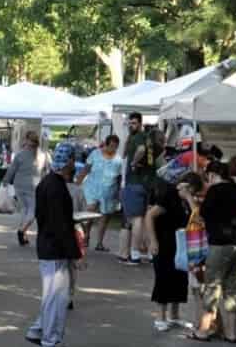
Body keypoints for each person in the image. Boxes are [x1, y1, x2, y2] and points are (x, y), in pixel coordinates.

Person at [24, 143, 84, 347]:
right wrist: (75, 254)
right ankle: (51, 341)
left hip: (47, 245)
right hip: (56, 248)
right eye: (72, 162)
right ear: (68, 162)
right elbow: (61, 225)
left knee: (52, 295)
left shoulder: (47, 183)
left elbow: (49, 219)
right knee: (57, 297)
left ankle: (39, 329)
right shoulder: (57, 187)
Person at [192, 162, 236, 343]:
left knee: (212, 286)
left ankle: (204, 330)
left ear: (212, 174)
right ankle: (231, 334)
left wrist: (188, 197)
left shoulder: (214, 190)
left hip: (221, 243)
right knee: (232, 288)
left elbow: (201, 214)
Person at [147, 174, 195, 331]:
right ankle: (160, 316)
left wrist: (189, 198)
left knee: (180, 278)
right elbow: (150, 216)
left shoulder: (186, 201)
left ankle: (174, 315)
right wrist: (153, 241)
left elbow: (196, 216)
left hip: (180, 243)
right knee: (164, 277)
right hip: (164, 242)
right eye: (192, 191)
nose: (193, 194)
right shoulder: (168, 196)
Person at [120, 113, 161, 265]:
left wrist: (133, 163)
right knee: (146, 218)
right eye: (130, 123)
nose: (132, 126)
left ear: (140, 123)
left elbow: (141, 150)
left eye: (134, 123)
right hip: (148, 182)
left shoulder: (139, 138)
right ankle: (151, 253)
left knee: (136, 219)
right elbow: (124, 154)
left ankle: (135, 254)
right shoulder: (146, 137)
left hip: (136, 182)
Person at [78, 134, 125, 252]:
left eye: (116, 147)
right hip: (92, 188)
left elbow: (119, 177)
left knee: (105, 216)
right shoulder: (95, 154)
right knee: (89, 212)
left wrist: (119, 191)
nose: (113, 149)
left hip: (109, 191)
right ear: (106, 145)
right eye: (112, 146)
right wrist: (78, 181)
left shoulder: (118, 160)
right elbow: (86, 168)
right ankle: (86, 235)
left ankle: (99, 242)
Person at [8, 131, 48, 246]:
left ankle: (23, 234)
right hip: (34, 185)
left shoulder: (20, 154)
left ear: (26, 140)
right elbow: (47, 171)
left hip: (19, 184)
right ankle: (22, 231)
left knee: (25, 209)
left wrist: (6, 182)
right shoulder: (43, 155)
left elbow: (12, 170)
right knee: (33, 211)